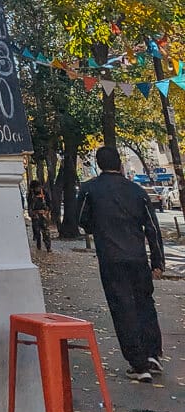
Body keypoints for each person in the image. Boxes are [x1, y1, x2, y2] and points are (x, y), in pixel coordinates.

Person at [77, 146, 165, 383]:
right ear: (119, 163)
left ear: (98, 163)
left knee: (122, 308)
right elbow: (152, 227)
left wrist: (100, 229)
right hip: (138, 258)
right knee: (145, 303)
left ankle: (139, 364)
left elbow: (82, 219)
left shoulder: (90, 190)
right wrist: (157, 261)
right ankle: (153, 353)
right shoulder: (137, 191)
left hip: (111, 258)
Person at [27, 180, 52, 253]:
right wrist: (31, 213)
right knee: (37, 231)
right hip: (35, 215)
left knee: (46, 231)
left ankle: (48, 247)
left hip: (43, 214)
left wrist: (48, 210)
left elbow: (49, 202)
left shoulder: (44, 192)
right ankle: (39, 245)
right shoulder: (31, 194)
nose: (38, 189)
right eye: (36, 188)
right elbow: (29, 205)